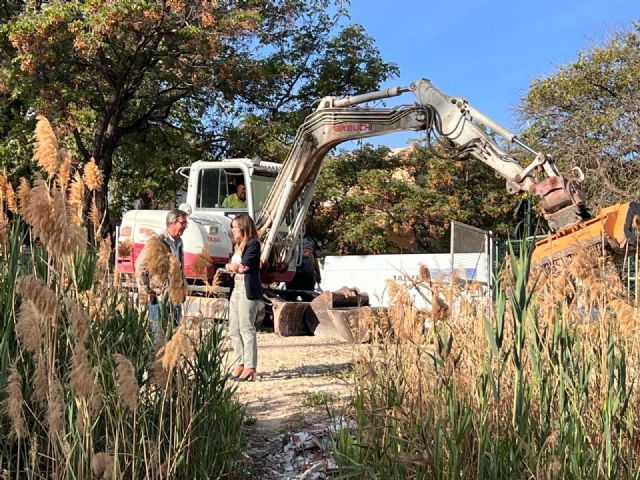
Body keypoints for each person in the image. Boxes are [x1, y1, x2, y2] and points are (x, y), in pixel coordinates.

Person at [135, 209, 189, 331]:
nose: (185, 226)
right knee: (158, 333)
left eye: (186, 223)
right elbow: (140, 265)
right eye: (183, 223)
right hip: (159, 297)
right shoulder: (158, 242)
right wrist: (147, 291)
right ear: (172, 223)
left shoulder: (179, 242)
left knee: (174, 333)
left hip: (174, 296)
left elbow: (179, 268)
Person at [225, 214, 263, 382]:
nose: (233, 230)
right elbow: (234, 267)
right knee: (233, 327)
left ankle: (250, 366)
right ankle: (239, 361)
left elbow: (244, 266)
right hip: (236, 287)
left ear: (244, 228)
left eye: (235, 227)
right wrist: (232, 267)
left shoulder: (253, 244)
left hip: (247, 289)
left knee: (246, 327)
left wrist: (234, 267)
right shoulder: (238, 246)